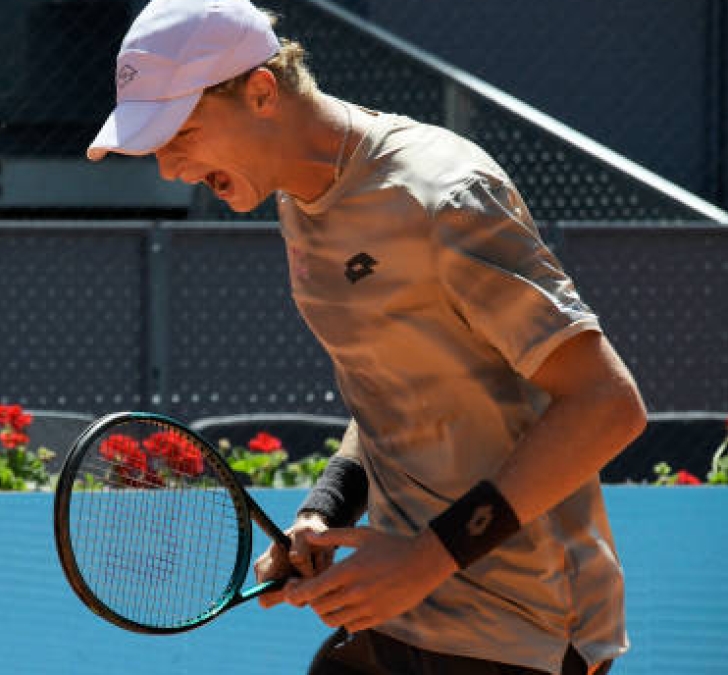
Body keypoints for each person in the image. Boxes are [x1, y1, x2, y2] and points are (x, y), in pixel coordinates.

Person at [86, 1, 648, 674]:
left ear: (262, 92)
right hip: (404, 615)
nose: (170, 169)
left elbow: (607, 404)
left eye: (180, 134)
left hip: (523, 630)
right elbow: (392, 386)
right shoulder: (298, 203)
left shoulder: (443, 194)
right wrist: (326, 509)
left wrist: (424, 559)